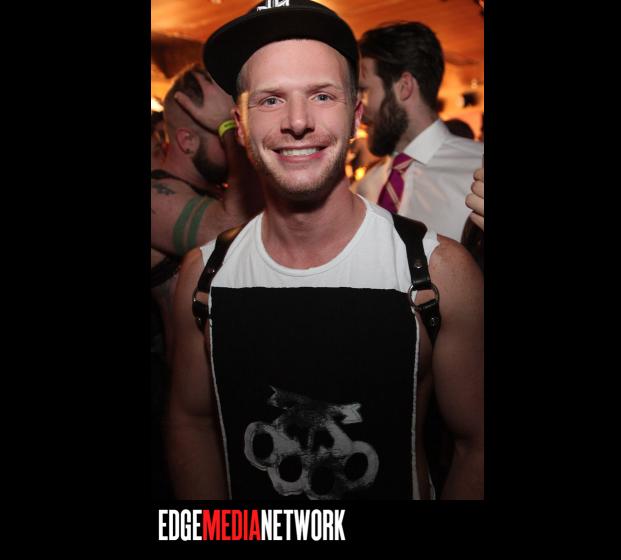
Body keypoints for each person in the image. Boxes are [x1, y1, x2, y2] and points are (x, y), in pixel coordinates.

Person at [167, 0, 483, 500]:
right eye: (270, 99)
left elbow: (475, 446)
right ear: (240, 124)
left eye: (321, 95)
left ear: (355, 115)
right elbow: (190, 424)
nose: (297, 121)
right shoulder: (203, 276)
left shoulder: (440, 273)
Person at [151, 63, 263, 363]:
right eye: (225, 131)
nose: (238, 137)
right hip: (180, 381)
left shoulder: (218, 191)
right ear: (187, 142)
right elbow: (231, 232)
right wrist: (227, 126)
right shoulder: (156, 197)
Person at [353, 22, 484, 242]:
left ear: (404, 87)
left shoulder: (477, 170)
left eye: (363, 90)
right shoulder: (364, 187)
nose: (356, 106)